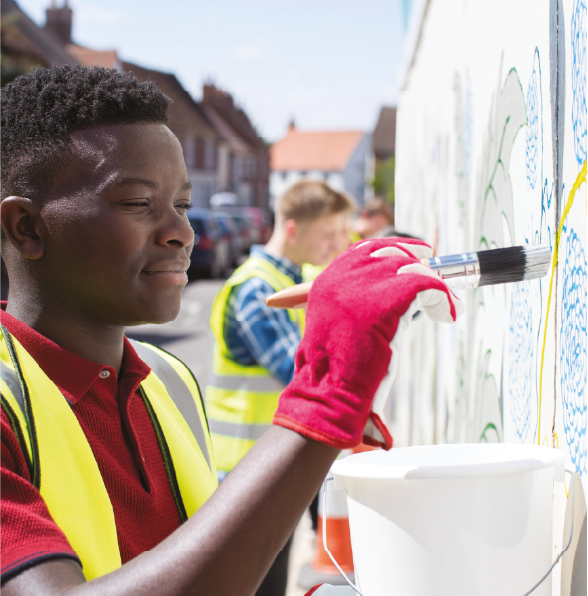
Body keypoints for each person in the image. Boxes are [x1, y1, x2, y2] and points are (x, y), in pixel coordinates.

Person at [0, 65, 462, 596]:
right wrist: (324, 399)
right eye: (137, 204)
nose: (182, 232)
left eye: (182, 205)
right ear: (27, 227)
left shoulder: (167, 379)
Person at [205, 181, 354, 595]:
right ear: (292, 230)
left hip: (280, 464)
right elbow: (303, 373)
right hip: (246, 474)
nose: (336, 244)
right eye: (328, 235)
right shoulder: (257, 290)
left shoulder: (302, 278)